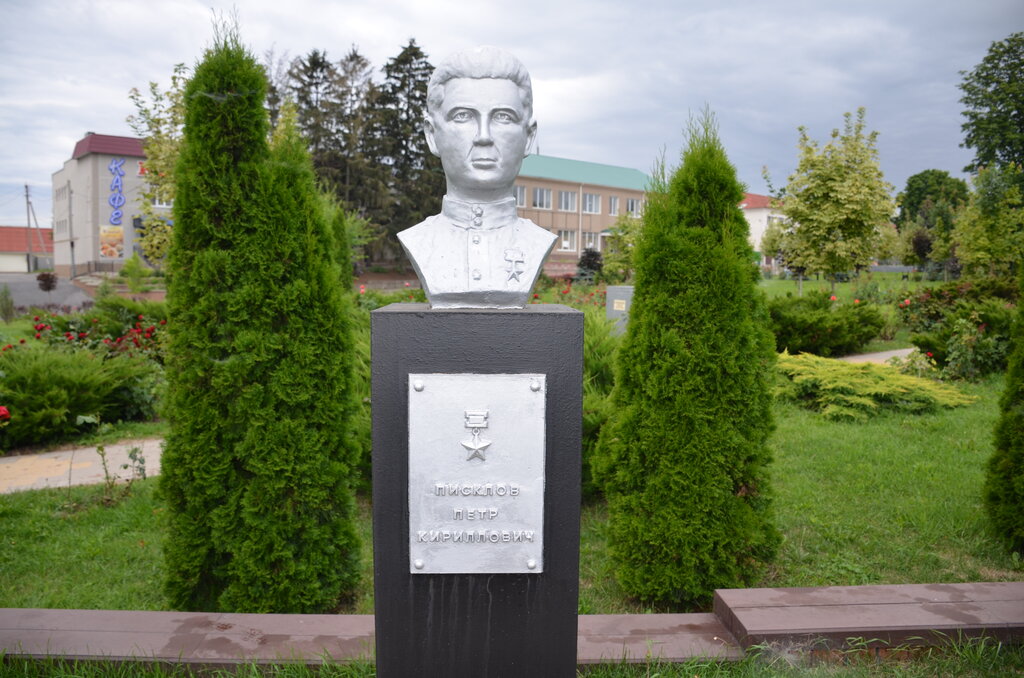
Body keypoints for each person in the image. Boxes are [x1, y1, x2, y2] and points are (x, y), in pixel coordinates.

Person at [398, 46, 556, 309]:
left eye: (503, 117)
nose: (484, 136)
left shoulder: (538, 243)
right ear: (431, 135)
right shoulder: (418, 241)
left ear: (528, 137)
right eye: (463, 116)